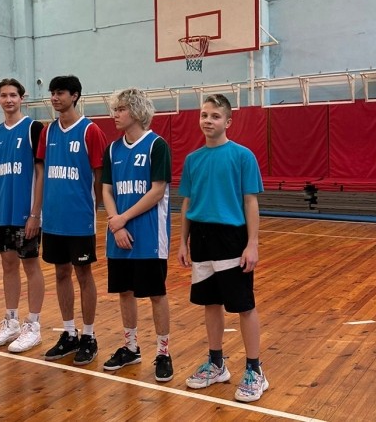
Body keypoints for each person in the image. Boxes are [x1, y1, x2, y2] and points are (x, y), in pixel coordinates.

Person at [177, 94, 268, 403]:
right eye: (204, 115)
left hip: (232, 238)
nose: (208, 120)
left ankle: (255, 370)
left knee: (243, 305)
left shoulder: (243, 156)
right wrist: (182, 241)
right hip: (201, 238)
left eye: (215, 116)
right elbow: (187, 202)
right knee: (210, 303)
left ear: (228, 121)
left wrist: (252, 244)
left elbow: (250, 202)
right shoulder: (193, 160)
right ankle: (216, 364)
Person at [101, 88, 174, 382]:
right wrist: (116, 224)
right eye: (115, 109)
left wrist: (123, 219)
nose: (115, 114)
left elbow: (157, 191)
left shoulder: (157, 145)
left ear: (137, 111)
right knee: (124, 292)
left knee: (156, 294)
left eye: (121, 109)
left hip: (149, 236)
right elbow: (107, 190)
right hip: (118, 233)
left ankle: (163, 352)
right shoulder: (112, 149)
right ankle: (130, 348)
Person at [36, 75, 108, 365]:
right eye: (53, 93)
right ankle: (69, 333)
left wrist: (94, 209)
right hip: (53, 219)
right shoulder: (48, 131)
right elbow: (42, 173)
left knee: (83, 275)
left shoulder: (90, 131)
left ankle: (89, 336)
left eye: (61, 93)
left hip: (80, 219)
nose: (55, 98)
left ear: (75, 95)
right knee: (61, 274)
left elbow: (100, 175)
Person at [0, 78, 46, 353]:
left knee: (30, 266)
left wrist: (35, 213)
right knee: (8, 265)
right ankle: (11, 322)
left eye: (13, 95)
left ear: (22, 98)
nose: (8, 100)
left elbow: (41, 174)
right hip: (1, 212)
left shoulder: (34, 128)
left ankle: (33, 325)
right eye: (4, 95)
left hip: (25, 213)